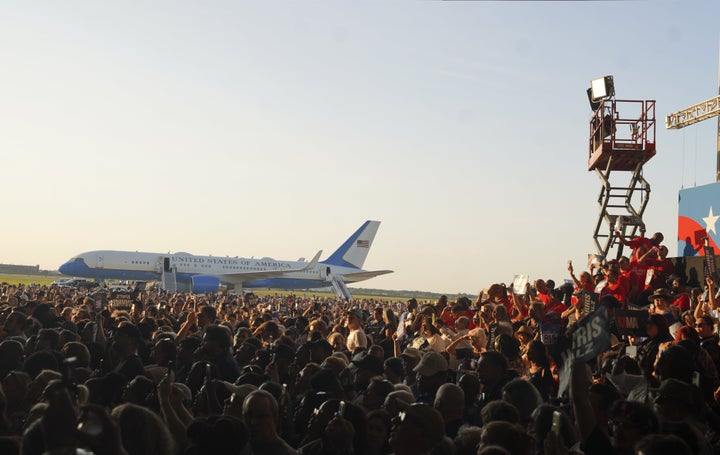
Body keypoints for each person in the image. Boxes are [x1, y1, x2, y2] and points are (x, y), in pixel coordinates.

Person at [243, 389, 298, 455]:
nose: (253, 422)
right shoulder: (240, 448)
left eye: (261, 416)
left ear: (275, 418)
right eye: (249, 415)